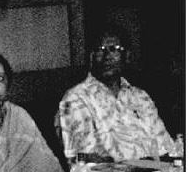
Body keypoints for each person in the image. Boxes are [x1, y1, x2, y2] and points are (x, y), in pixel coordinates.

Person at [56, 25, 173, 162]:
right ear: (91, 57)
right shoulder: (75, 99)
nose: (107, 56)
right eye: (100, 50)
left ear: (126, 56)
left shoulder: (141, 97)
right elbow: (83, 161)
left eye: (114, 49)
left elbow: (166, 148)